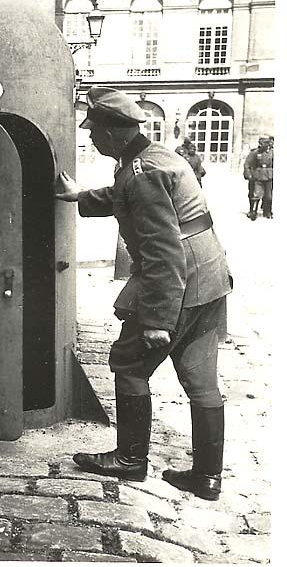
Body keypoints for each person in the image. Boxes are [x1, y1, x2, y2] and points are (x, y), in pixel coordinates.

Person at [55, 86, 232, 501]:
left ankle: (130, 459)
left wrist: (156, 321)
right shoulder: (154, 159)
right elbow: (125, 198)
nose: (91, 137)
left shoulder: (142, 172)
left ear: (113, 133)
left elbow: (161, 251)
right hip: (209, 279)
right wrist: (80, 196)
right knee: (200, 377)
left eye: (94, 131)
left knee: (130, 364)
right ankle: (207, 477)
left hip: (178, 282)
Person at [243, 137, 273, 219]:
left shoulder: (271, 153)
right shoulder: (255, 152)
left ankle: (267, 212)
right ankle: (253, 211)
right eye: (262, 143)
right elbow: (247, 164)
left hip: (269, 176)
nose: (263, 145)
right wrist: (248, 174)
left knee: (268, 196)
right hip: (258, 176)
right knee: (256, 194)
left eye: (265, 143)